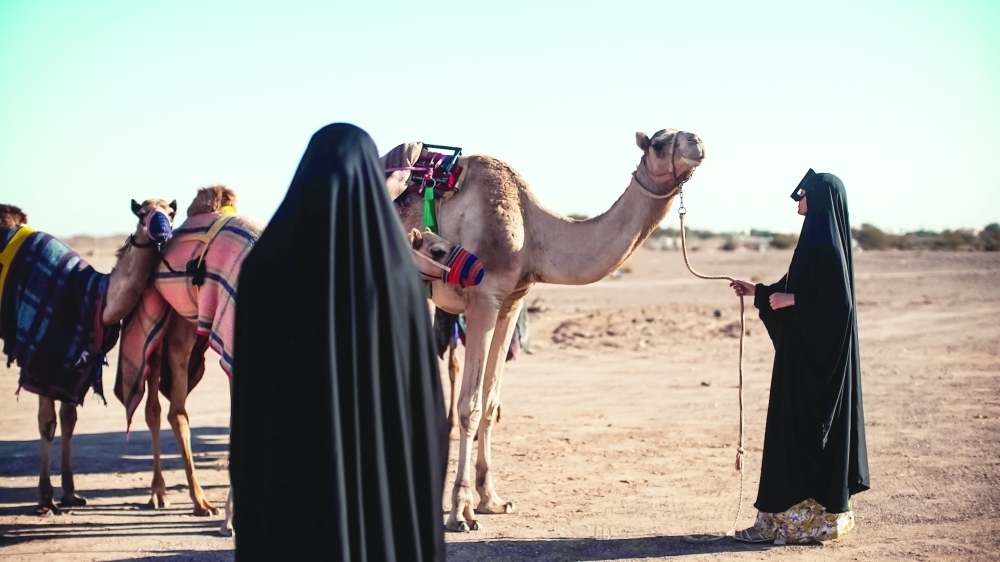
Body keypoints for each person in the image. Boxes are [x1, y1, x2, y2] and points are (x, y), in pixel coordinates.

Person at [229, 123, 448, 561]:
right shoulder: (395, 276)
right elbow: (423, 409)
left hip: (288, 490)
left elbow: (250, 400)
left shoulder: (263, 269)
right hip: (380, 499)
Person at [729, 169, 869, 544]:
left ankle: (798, 524)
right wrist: (758, 292)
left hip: (816, 371)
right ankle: (782, 522)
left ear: (819, 198)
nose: (798, 201)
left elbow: (838, 306)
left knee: (803, 435)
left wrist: (793, 301)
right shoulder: (814, 240)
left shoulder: (827, 244)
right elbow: (799, 287)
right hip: (800, 362)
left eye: (802, 194)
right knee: (789, 435)